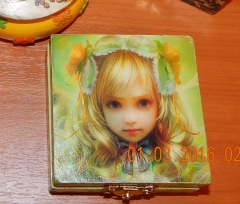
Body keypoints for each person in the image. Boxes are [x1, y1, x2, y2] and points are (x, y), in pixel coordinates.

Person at [64, 36, 209, 183]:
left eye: (143, 103)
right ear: (98, 106)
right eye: (115, 104)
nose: (130, 119)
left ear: (161, 102)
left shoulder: (182, 161)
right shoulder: (86, 163)